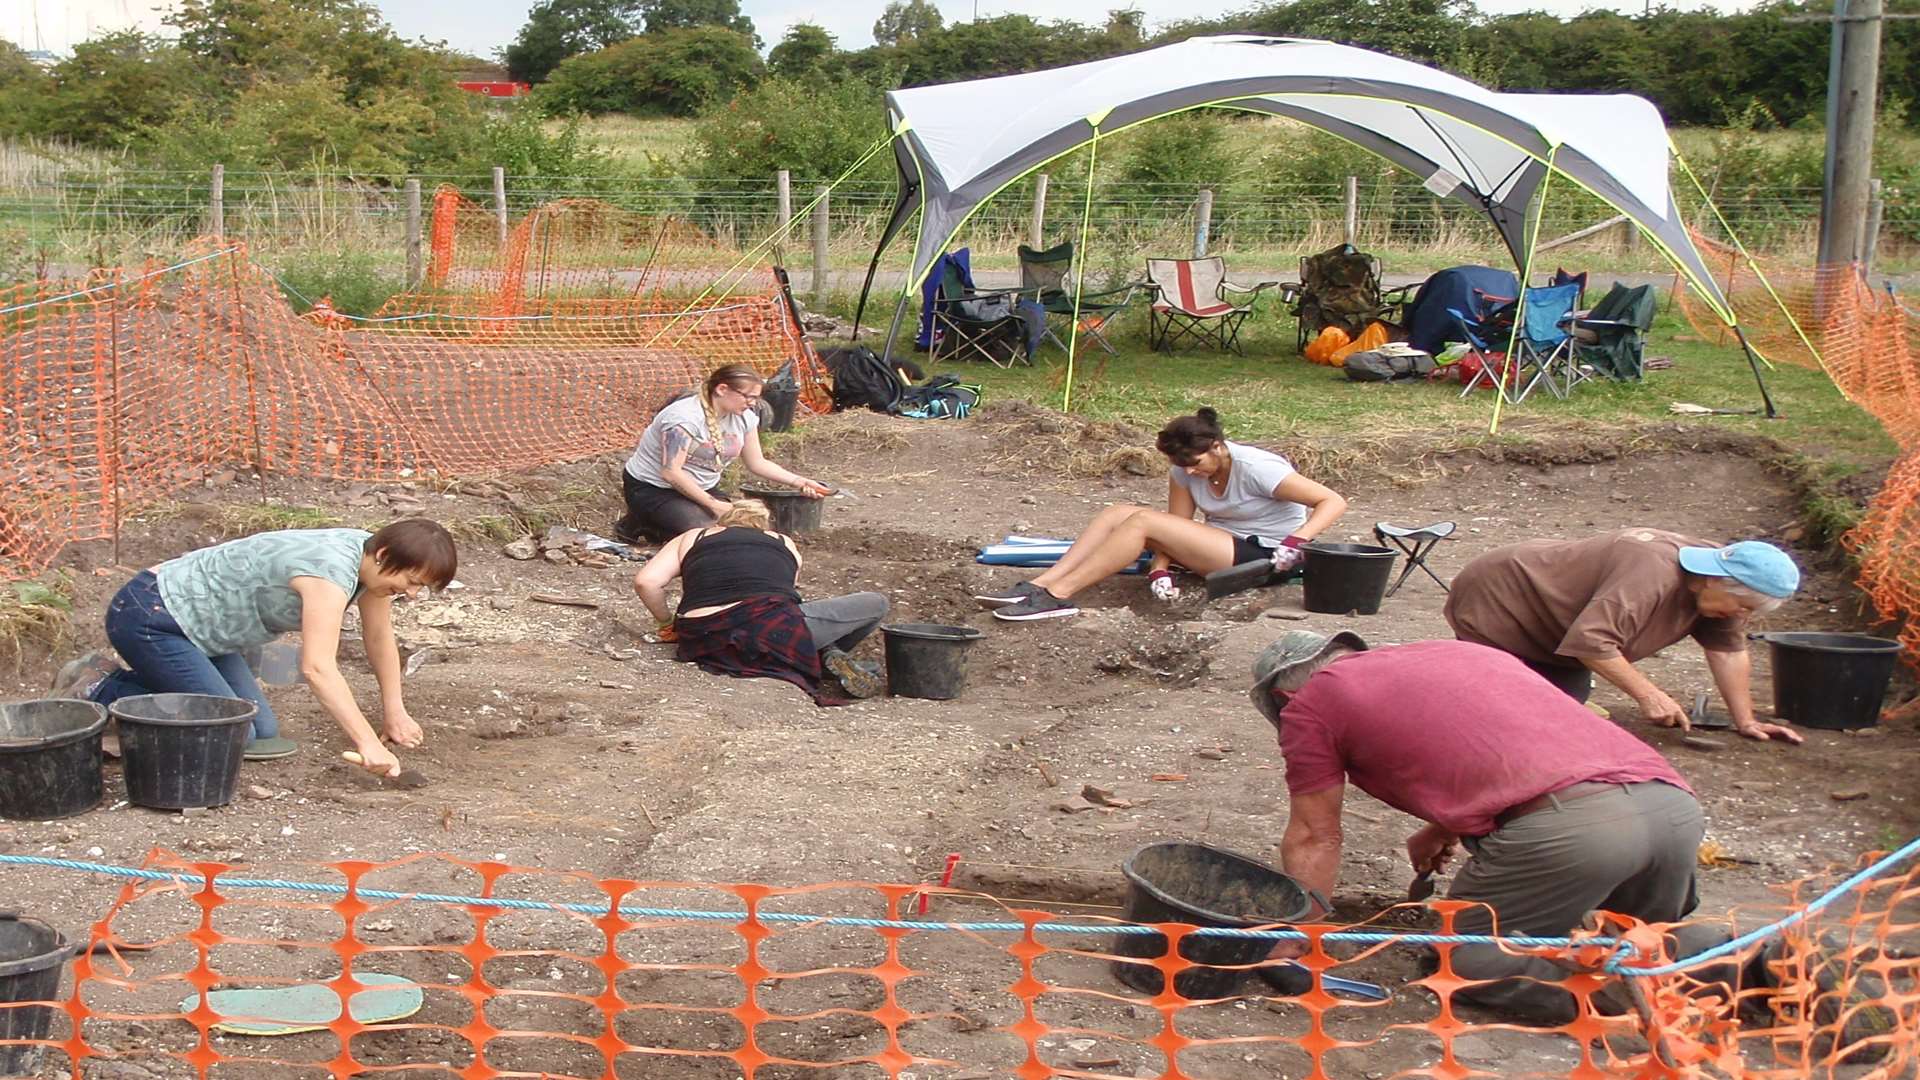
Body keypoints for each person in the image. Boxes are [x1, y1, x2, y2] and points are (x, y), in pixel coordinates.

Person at [1249, 629, 1713, 1022]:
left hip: (1576, 836)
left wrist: (1294, 937)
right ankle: (1757, 961)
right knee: (1646, 935)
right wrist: (1444, 826)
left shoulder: (1309, 704)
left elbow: (1316, 835)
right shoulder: (1459, 652)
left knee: (1467, 961)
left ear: (1283, 697)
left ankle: (1622, 994)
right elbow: (1503, 739)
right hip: (1672, 808)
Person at [52, 520, 458, 778]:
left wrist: (394, 711)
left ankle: (148, 679)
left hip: (203, 633)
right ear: (385, 555)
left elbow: (379, 638)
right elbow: (317, 667)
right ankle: (99, 686)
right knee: (235, 732)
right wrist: (366, 742)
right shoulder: (328, 572)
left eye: (421, 586)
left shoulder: (367, 560)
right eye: (411, 581)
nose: (413, 594)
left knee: (261, 733)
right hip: (151, 615)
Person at [978, 407, 1347, 621]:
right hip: (1220, 544)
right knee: (1116, 513)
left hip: (1265, 555)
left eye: (1195, 462)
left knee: (1141, 521)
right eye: (1180, 464)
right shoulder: (1183, 471)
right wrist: (1159, 568)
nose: (1189, 471)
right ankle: (1043, 584)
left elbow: (1332, 501)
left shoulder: (1257, 467)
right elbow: (1177, 528)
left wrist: (1296, 541)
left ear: (1217, 447)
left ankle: (1059, 597)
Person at [1443, 529, 1802, 743]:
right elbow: (1592, 642)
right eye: (1742, 606)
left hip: (1559, 623)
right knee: (1505, 714)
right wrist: (1650, 695)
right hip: (1502, 596)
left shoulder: (1719, 586)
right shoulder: (1652, 574)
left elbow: (1728, 651)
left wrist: (1747, 721)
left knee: (1560, 709)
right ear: (1715, 579)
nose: (1741, 616)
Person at [631, 499, 889, 702]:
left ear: (721, 523)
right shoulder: (783, 542)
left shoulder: (693, 537)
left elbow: (646, 582)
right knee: (876, 603)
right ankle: (825, 655)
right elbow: (787, 597)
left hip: (701, 638)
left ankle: (827, 654)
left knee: (785, 616)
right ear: (764, 526)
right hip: (767, 631)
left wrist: (667, 624)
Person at [614, 365, 831, 544]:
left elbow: (757, 462)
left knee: (745, 528)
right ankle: (640, 521)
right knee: (705, 534)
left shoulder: (744, 417)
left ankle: (663, 524)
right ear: (722, 389)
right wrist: (714, 505)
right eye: (748, 397)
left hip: (702, 486)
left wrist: (800, 482)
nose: (753, 403)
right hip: (654, 488)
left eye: (756, 398)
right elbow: (671, 473)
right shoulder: (683, 418)